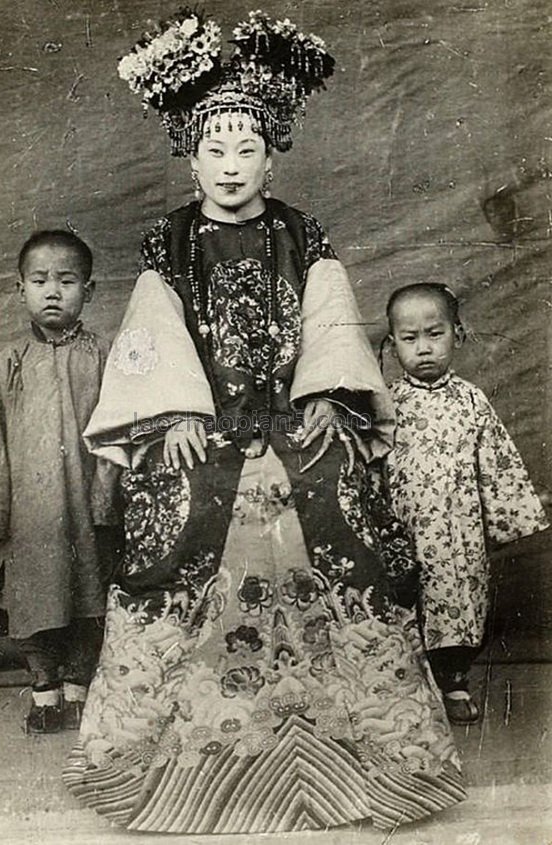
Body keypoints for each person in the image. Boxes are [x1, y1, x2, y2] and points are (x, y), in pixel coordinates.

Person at [63, 10, 465, 833]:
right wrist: (172, 409)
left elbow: (329, 320)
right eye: (216, 149)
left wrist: (327, 394)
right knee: (183, 489)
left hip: (288, 409)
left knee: (337, 481)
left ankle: (363, 744)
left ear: (272, 156)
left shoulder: (300, 232)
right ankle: (183, 756)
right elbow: (153, 332)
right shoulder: (169, 241)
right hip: (206, 416)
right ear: (192, 154)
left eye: (248, 149)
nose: (232, 165)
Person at [0, 230, 122, 734]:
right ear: (20, 288)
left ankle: (78, 689)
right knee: (35, 599)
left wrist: (110, 495)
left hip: (88, 502)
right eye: (40, 280)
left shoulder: (103, 355)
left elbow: (119, 431)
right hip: (32, 514)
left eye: (67, 281)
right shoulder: (11, 362)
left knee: (90, 595)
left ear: (88, 292)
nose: (53, 291)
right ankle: (44, 690)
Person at [384, 282, 549, 725]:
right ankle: (406, 688)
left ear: (458, 333)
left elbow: (496, 461)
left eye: (434, 334)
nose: (423, 349)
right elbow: (368, 467)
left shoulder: (471, 400)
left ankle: (454, 682)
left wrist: (509, 518)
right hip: (405, 529)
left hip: (458, 534)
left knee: (457, 603)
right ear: (392, 343)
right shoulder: (386, 404)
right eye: (409, 338)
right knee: (404, 602)